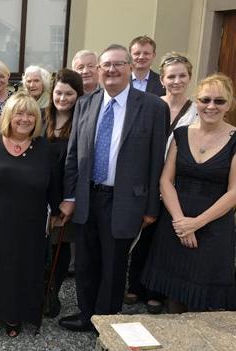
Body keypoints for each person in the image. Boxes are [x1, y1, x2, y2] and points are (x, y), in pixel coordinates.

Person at [58, 44, 168, 332]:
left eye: (118, 64)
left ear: (130, 68)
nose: (111, 70)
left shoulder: (154, 107)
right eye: (105, 65)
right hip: (86, 197)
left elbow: (157, 161)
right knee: (85, 263)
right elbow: (73, 157)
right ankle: (87, 315)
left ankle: (107, 322)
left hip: (124, 201)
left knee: (114, 265)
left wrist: (151, 207)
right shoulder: (85, 103)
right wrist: (69, 196)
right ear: (97, 70)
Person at [0, 91, 61, 337]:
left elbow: (55, 186)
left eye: (31, 114)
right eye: (19, 112)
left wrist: (59, 210)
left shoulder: (45, 150)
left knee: (22, 268)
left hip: (29, 224)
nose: (25, 118)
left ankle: (15, 313)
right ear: (9, 115)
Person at [141, 74, 236, 313]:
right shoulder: (181, 134)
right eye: (205, 99)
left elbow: (234, 192)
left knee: (204, 298)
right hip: (176, 222)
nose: (211, 106)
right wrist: (180, 222)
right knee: (175, 294)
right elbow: (165, 180)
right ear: (197, 101)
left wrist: (196, 224)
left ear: (230, 104)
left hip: (212, 228)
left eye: (219, 101)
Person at [125, 52, 198, 313]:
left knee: (165, 238)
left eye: (182, 75)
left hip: (178, 186)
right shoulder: (150, 105)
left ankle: (158, 290)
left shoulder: (198, 111)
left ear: (189, 78)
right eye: (171, 76)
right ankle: (135, 285)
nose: (176, 81)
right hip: (147, 180)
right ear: (162, 79)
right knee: (142, 234)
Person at [42, 68, 84, 318]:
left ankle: (52, 293)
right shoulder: (41, 117)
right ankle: (36, 291)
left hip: (66, 196)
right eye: (59, 92)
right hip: (40, 195)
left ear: (78, 95)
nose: (63, 98)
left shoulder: (82, 121)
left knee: (60, 246)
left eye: (69, 93)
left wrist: (71, 199)